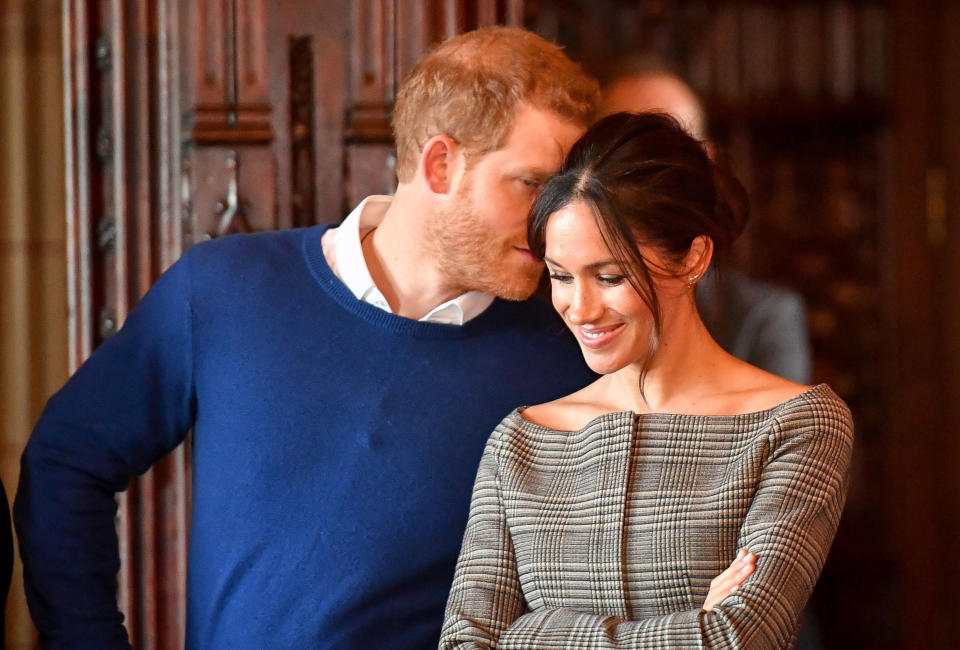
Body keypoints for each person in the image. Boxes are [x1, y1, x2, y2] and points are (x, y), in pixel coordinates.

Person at [14, 27, 601, 649]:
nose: (553, 222)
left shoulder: (567, 361)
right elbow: (66, 462)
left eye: (565, 192)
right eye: (533, 185)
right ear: (440, 165)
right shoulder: (222, 291)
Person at [439, 113, 853, 648]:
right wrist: (692, 629)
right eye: (561, 277)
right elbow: (463, 643)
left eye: (610, 276)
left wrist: (530, 633)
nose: (579, 308)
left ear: (693, 258)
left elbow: (737, 640)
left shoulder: (796, 426)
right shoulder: (520, 442)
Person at [599, 56, 812, 384]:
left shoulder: (762, 316)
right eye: (624, 149)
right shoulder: (557, 309)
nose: (642, 172)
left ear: (706, 162)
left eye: (666, 150)